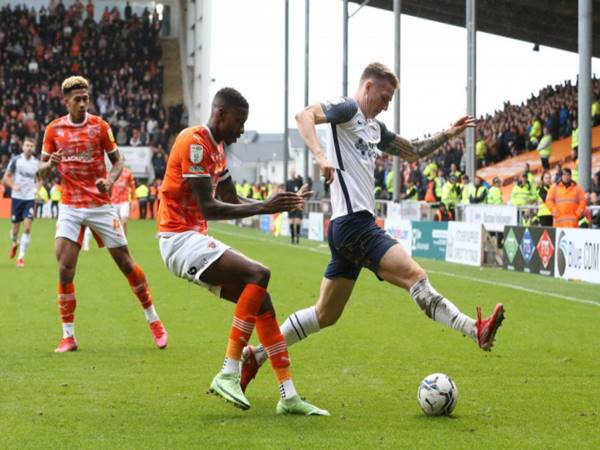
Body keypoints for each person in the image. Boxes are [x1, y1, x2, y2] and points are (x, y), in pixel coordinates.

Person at [240, 62, 504, 394]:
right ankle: (473, 329)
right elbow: (303, 116)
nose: (386, 104)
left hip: (347, 228)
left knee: (325, 314)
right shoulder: (348, 109)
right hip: (355, 224)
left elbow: (412, 151)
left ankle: (257, 355)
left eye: (390, 100)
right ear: (367, 88)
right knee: (415, 277)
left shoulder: (374, 129)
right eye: (384, 96)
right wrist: (321, 157)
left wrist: (448, 133)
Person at [157, 87, 328, 416]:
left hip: (191, 239)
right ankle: (228, 371)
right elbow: (209, 207)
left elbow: (232, 200)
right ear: (220, 115)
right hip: (178, 239)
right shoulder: (194, 142)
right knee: (258, 273)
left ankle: (288, 394)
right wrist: (264, 206)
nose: (243, 129)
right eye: (239, 121)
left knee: (261, 298)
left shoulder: (217, 150)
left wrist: (278, 205)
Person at [38, 76, 168, 353]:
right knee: (64, 268)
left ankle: (154, 320)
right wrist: (50, 164)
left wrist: (109, 182)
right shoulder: (54, 130)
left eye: (86, 98)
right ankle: (68, 336)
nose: (83, 103)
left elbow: (118, 160)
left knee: (125, 263)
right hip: (71, 206)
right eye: (78, 99)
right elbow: (41, 172)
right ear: (66, 101)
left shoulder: (100, 126)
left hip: (99, 204)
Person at [2, 137, 39, 267]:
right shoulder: (16, 160)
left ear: (34, 148)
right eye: (27, 145)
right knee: (15, 230)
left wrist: (37, 190)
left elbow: (39, 180)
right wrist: (13, 186)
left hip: (29, 198)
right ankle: (14, 243)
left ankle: (21, 257)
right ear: (23, 146)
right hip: (17, 198)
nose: (29, 148)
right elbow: (5, 178)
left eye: (31, 146)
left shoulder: (36, 163)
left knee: (28, 228)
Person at [110, 165, 136, 236]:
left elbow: (132, 186)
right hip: (114, 201)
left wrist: (134, 200)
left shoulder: (128, 173)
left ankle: (118, 234)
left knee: (123, 217)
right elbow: (108, 187)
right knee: (119, 221)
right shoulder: (112, 173)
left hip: (124, 200)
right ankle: (124, 238)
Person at [285, 169, 304, 244]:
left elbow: (302, 190)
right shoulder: (288, 182)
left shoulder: (298, 181)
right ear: (290, 173)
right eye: (291, 172)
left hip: (298, 204)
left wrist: (301, 202)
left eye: (293, 172)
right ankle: (292, 238)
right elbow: (286, 193)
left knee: (298, 222)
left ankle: (298, 239)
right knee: (291, 222)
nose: (292, 173)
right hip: (291, 204)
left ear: (295, 173)